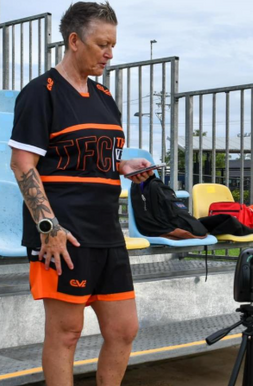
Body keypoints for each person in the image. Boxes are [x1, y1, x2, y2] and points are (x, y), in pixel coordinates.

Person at [9, 2, 153, 385]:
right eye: (102, 44)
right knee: (66, 333)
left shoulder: (105, 97)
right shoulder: (41, 93)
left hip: (107, 231)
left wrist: (123, 167)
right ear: (74, 41)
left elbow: (93, 157)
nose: (109, 54)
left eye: (113, 46)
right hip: (62, 233)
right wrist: (48, 226)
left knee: (124, 329)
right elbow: (23, 164)